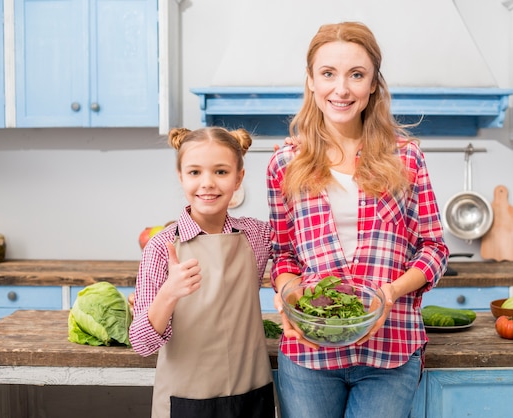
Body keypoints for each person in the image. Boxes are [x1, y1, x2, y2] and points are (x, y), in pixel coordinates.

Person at [266, 21, 449, 418]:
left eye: (356, 75)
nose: (342, 89)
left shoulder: (407, 159)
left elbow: (434, 250)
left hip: (391, 349)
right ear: (312, 82)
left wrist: (388, 295)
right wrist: (288, 293)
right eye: (328, 74)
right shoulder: (284, 163)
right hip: (309, 351)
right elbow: (283, 256)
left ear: (372, 86)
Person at [129, 127, 275, 418]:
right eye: (195, 172)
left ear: (239, 179)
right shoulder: (161, 246)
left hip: (249, 394)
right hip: (187, 401)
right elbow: (142, 343)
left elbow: (305, 235)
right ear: (181, 176)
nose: (207, 183)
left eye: (220, 172)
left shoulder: (257, 236)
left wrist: (299, 159)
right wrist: (169, 294)